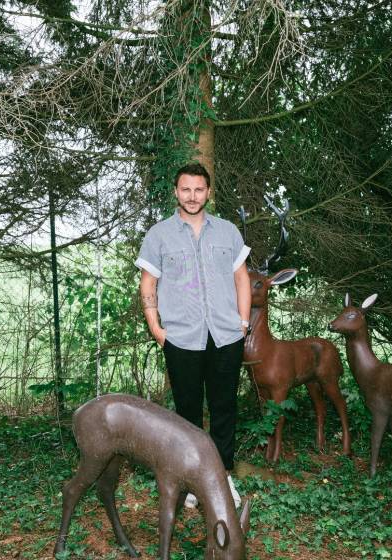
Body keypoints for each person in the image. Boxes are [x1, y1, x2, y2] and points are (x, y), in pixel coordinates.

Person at [135, 162, 251, 508]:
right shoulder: (159, 234)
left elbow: (242, 278)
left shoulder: (228, 232)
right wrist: (156, 328)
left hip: (226, 336)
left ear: (209, 192)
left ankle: (223, 477)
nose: (192, 196)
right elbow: (148, 283)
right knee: (186, 412)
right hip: (181, 338)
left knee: (223, 408)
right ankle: (188, 481)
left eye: (199, 190)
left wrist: (242, 323)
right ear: (176, 191)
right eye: (186, 189)